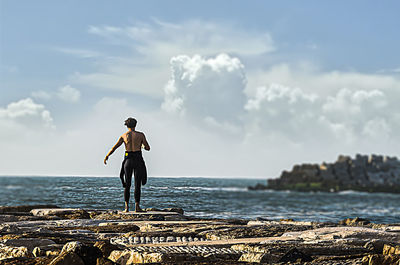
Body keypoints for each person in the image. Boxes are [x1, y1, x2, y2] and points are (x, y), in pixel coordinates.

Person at [104, 117, 150, 212]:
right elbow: (148, 148)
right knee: (137, 184)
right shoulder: (141, 135)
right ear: (135, 125)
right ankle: (137, 207)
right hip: (138, 159)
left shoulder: (124, 136)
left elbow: (114, 147)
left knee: (127, 184)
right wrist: (142, 146)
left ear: (127, 126)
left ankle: (126, 208)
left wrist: (107, 156)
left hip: (128, 160)